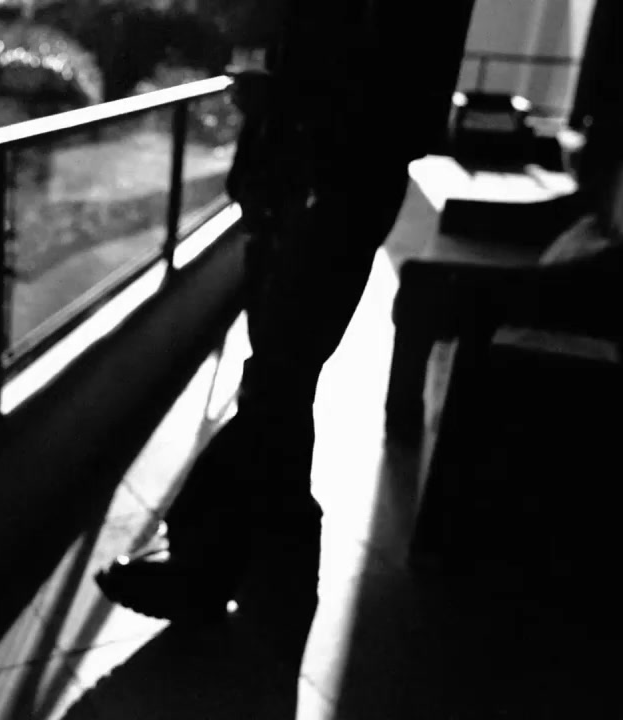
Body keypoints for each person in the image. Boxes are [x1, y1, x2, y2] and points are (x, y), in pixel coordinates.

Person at [96, 0, 477, 640]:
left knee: (277, 377)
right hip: (311, 185)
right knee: (282, 380)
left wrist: (287, 104)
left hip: (335, 187)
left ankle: (205, 562)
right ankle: (284, 554)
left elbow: (396, 105)